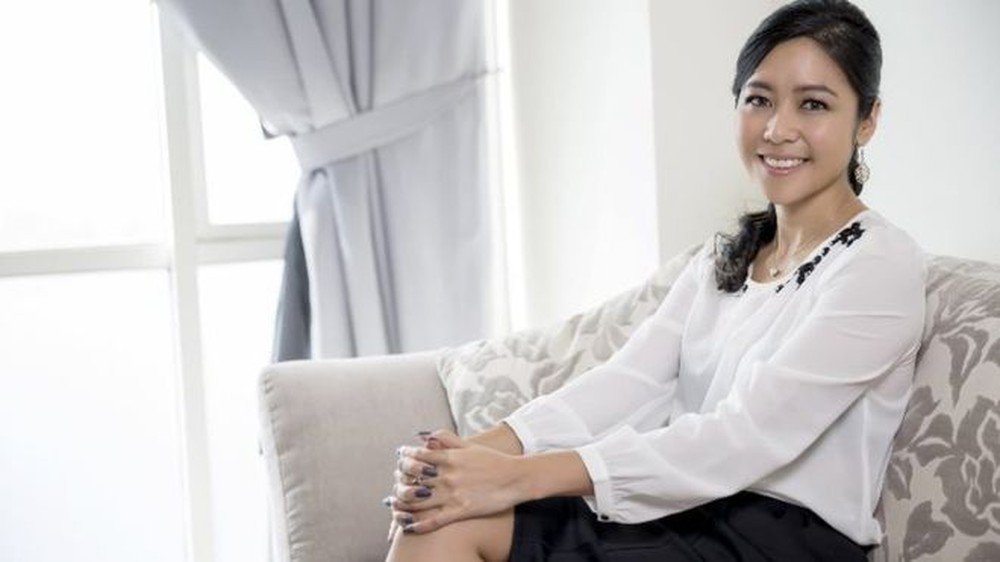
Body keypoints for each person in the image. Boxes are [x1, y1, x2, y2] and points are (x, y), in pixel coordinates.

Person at [385, 0, 927, 560]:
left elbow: (745, 435)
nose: (777, 129)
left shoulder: (879, 264)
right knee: (435, 520)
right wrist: (463, 458)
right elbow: (630, 381)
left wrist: (516, 477)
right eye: (759, 100)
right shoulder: (725, 258)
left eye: (813, 104)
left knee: (456, 518)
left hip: (783, 540)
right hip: (686, 507)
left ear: (867, 119)